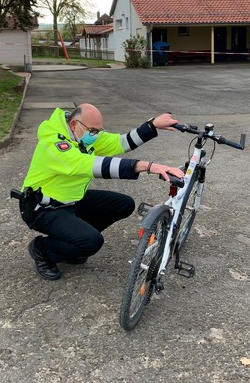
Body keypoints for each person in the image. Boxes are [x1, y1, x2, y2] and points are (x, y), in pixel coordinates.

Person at [20, 103, 184, 280]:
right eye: (93, 131)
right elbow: (94, 166)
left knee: (124, 204)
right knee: (92, 241)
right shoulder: (54, 145)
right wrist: (148, 166)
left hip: (72, 200)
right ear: (74, 125)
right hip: (43, 208)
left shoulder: (82, 134)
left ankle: (72, 242)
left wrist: (151, 125)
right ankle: (42, 250)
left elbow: (120, 142)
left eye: (98, 131)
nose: (96, 136)